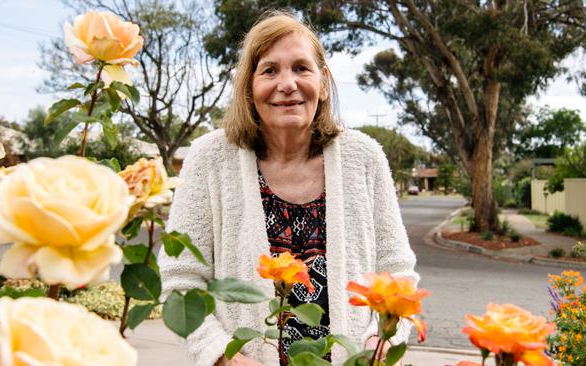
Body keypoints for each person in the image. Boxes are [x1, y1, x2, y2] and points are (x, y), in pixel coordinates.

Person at [158, 11, 419, 366]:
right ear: (249, 86)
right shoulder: (209, 158)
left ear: (323, 82)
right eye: (269, 70)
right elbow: (181, 280)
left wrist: (381, 342)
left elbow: (397, 273)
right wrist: (222, 356)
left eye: (301, 68)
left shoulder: (364, 157)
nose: (287, 84)